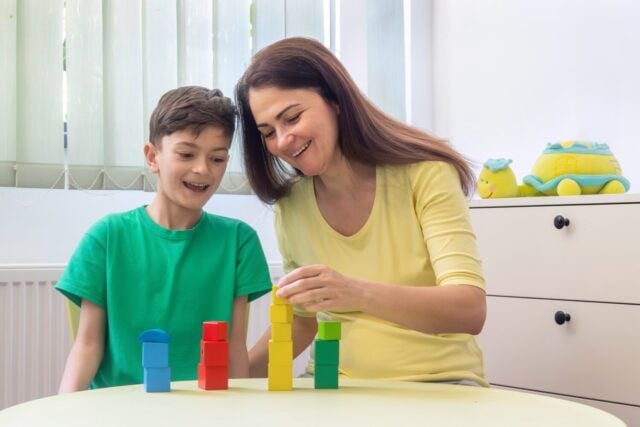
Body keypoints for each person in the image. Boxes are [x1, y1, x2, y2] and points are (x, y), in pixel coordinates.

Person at [235, 38, 488, 386]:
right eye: (268, 132)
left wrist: (356, 293)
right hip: (333, 387)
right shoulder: (291, 205)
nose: (282, 141)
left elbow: (469, 310)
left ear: (334, 99)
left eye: (292, 117)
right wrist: (227, 378)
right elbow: (302, 321)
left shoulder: (425, 174)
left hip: (438, 384)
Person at [56, 86, 272, 392]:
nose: (202, 169)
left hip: (203, 409)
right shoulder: (107, 237)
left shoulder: (238, 241)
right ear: (152, 157)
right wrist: (64, 412)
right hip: (116, 410)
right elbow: (88, 346)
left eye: (217, 158)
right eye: (186, 154)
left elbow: (234, 349)